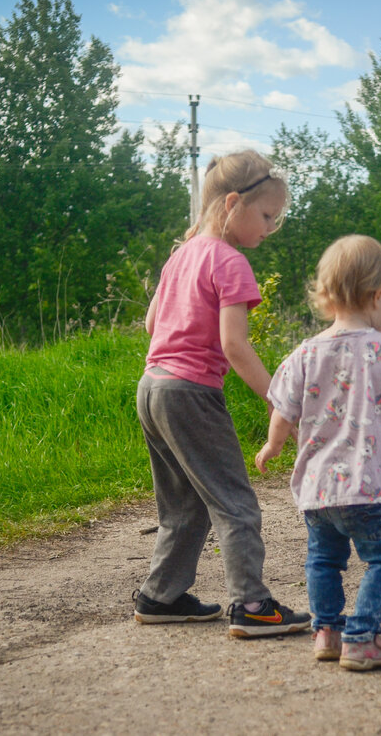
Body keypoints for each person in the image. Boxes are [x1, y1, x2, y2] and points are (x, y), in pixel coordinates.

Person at [132, 149, 311, 639]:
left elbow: (151, 324)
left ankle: (161, 596)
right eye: (268, 216)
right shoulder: (230, 262)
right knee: (235, 504)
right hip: (191, 393)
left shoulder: (181, 254)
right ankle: (252, 605)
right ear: (233, 203)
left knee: (183, 506)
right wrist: (281, 400)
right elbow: (235, 345)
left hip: (153, 389)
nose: (272, 228)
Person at [255, 234, 381, 670]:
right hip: (371, 489)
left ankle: (328, 632)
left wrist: (273, 445)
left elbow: (282, 413)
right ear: (377, 296)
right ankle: (362, 638)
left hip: (317, 491)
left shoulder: (303, 353)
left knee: (322, 560)